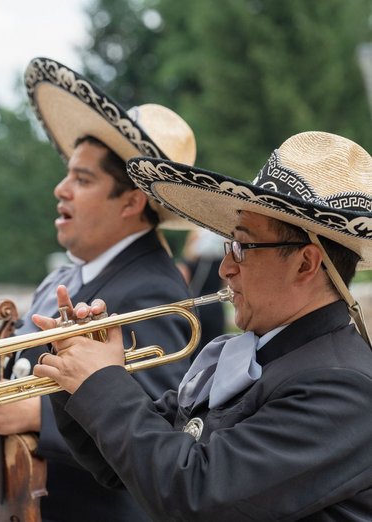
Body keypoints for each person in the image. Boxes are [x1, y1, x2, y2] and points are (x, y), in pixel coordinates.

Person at [0, 57, 198, 522]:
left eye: (82, 179)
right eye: (68, 173)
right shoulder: (71, 275)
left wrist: (39, 416)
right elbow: (19, 363)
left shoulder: (153, 289)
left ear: (132, 201)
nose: (60, 189)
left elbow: (160, 429)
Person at [33, 131, 372, 521]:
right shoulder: (253, 355)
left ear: (305, 264)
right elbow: (124, 466)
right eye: (229, 246)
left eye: (242, 247)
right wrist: (73, 367)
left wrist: (102, 381)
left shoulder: (343, 386)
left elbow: (197, 497)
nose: (226, 268)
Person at [177, 226, 226, 347]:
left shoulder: (188, 263)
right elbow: (226, 284)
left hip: (195, 307)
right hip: (215, 306)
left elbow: (181, 284)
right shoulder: (220, 262)